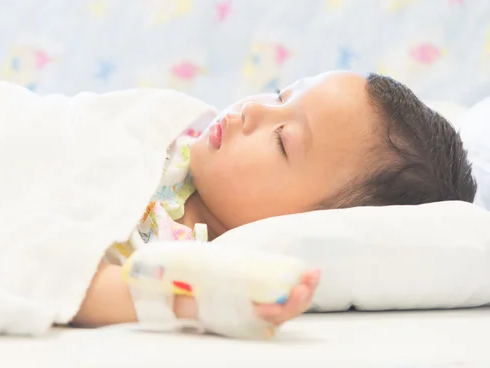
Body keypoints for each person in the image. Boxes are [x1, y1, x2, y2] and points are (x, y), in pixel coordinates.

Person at [70, 71, 477, 332]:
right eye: (280, 95)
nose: (253, 110)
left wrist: (198, 303)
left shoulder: (175, 253)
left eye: (282, 140)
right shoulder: (161, 135)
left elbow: (63, 281)